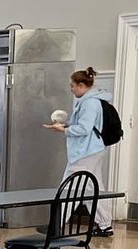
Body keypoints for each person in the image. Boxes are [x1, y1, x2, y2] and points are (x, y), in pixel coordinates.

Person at [44, 66, 113, 236]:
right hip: (93, 149)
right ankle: (105, 224)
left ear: (82, 85)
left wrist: (64, 130)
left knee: (68, 188)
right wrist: (65, 125)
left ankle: (56, 225)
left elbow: (84, 128)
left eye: (73, 86)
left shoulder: (89, 103)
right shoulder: (91, 101)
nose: (71, 89)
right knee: (92, 189)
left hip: (85, 152)